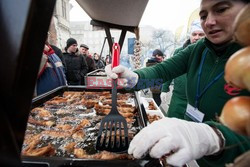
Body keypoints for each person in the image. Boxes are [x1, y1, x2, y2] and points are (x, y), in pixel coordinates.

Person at [105, 0, 250, 166]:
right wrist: (134, 78)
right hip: (194, 152)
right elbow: (161, 73)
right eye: (203, 15)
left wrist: (214, 136)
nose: (209, 22)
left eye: (222, 9)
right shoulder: (197, 49)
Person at [160, 20, 205, 119]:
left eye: (201, 34)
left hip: (196, 103)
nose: (197, 37)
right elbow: (170, 70)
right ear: (190, 36)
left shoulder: (208, 55)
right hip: (178, 97)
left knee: (189, 130)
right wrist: (164, 89)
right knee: (172, 124)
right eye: (194, 34)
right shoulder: (179, 52)